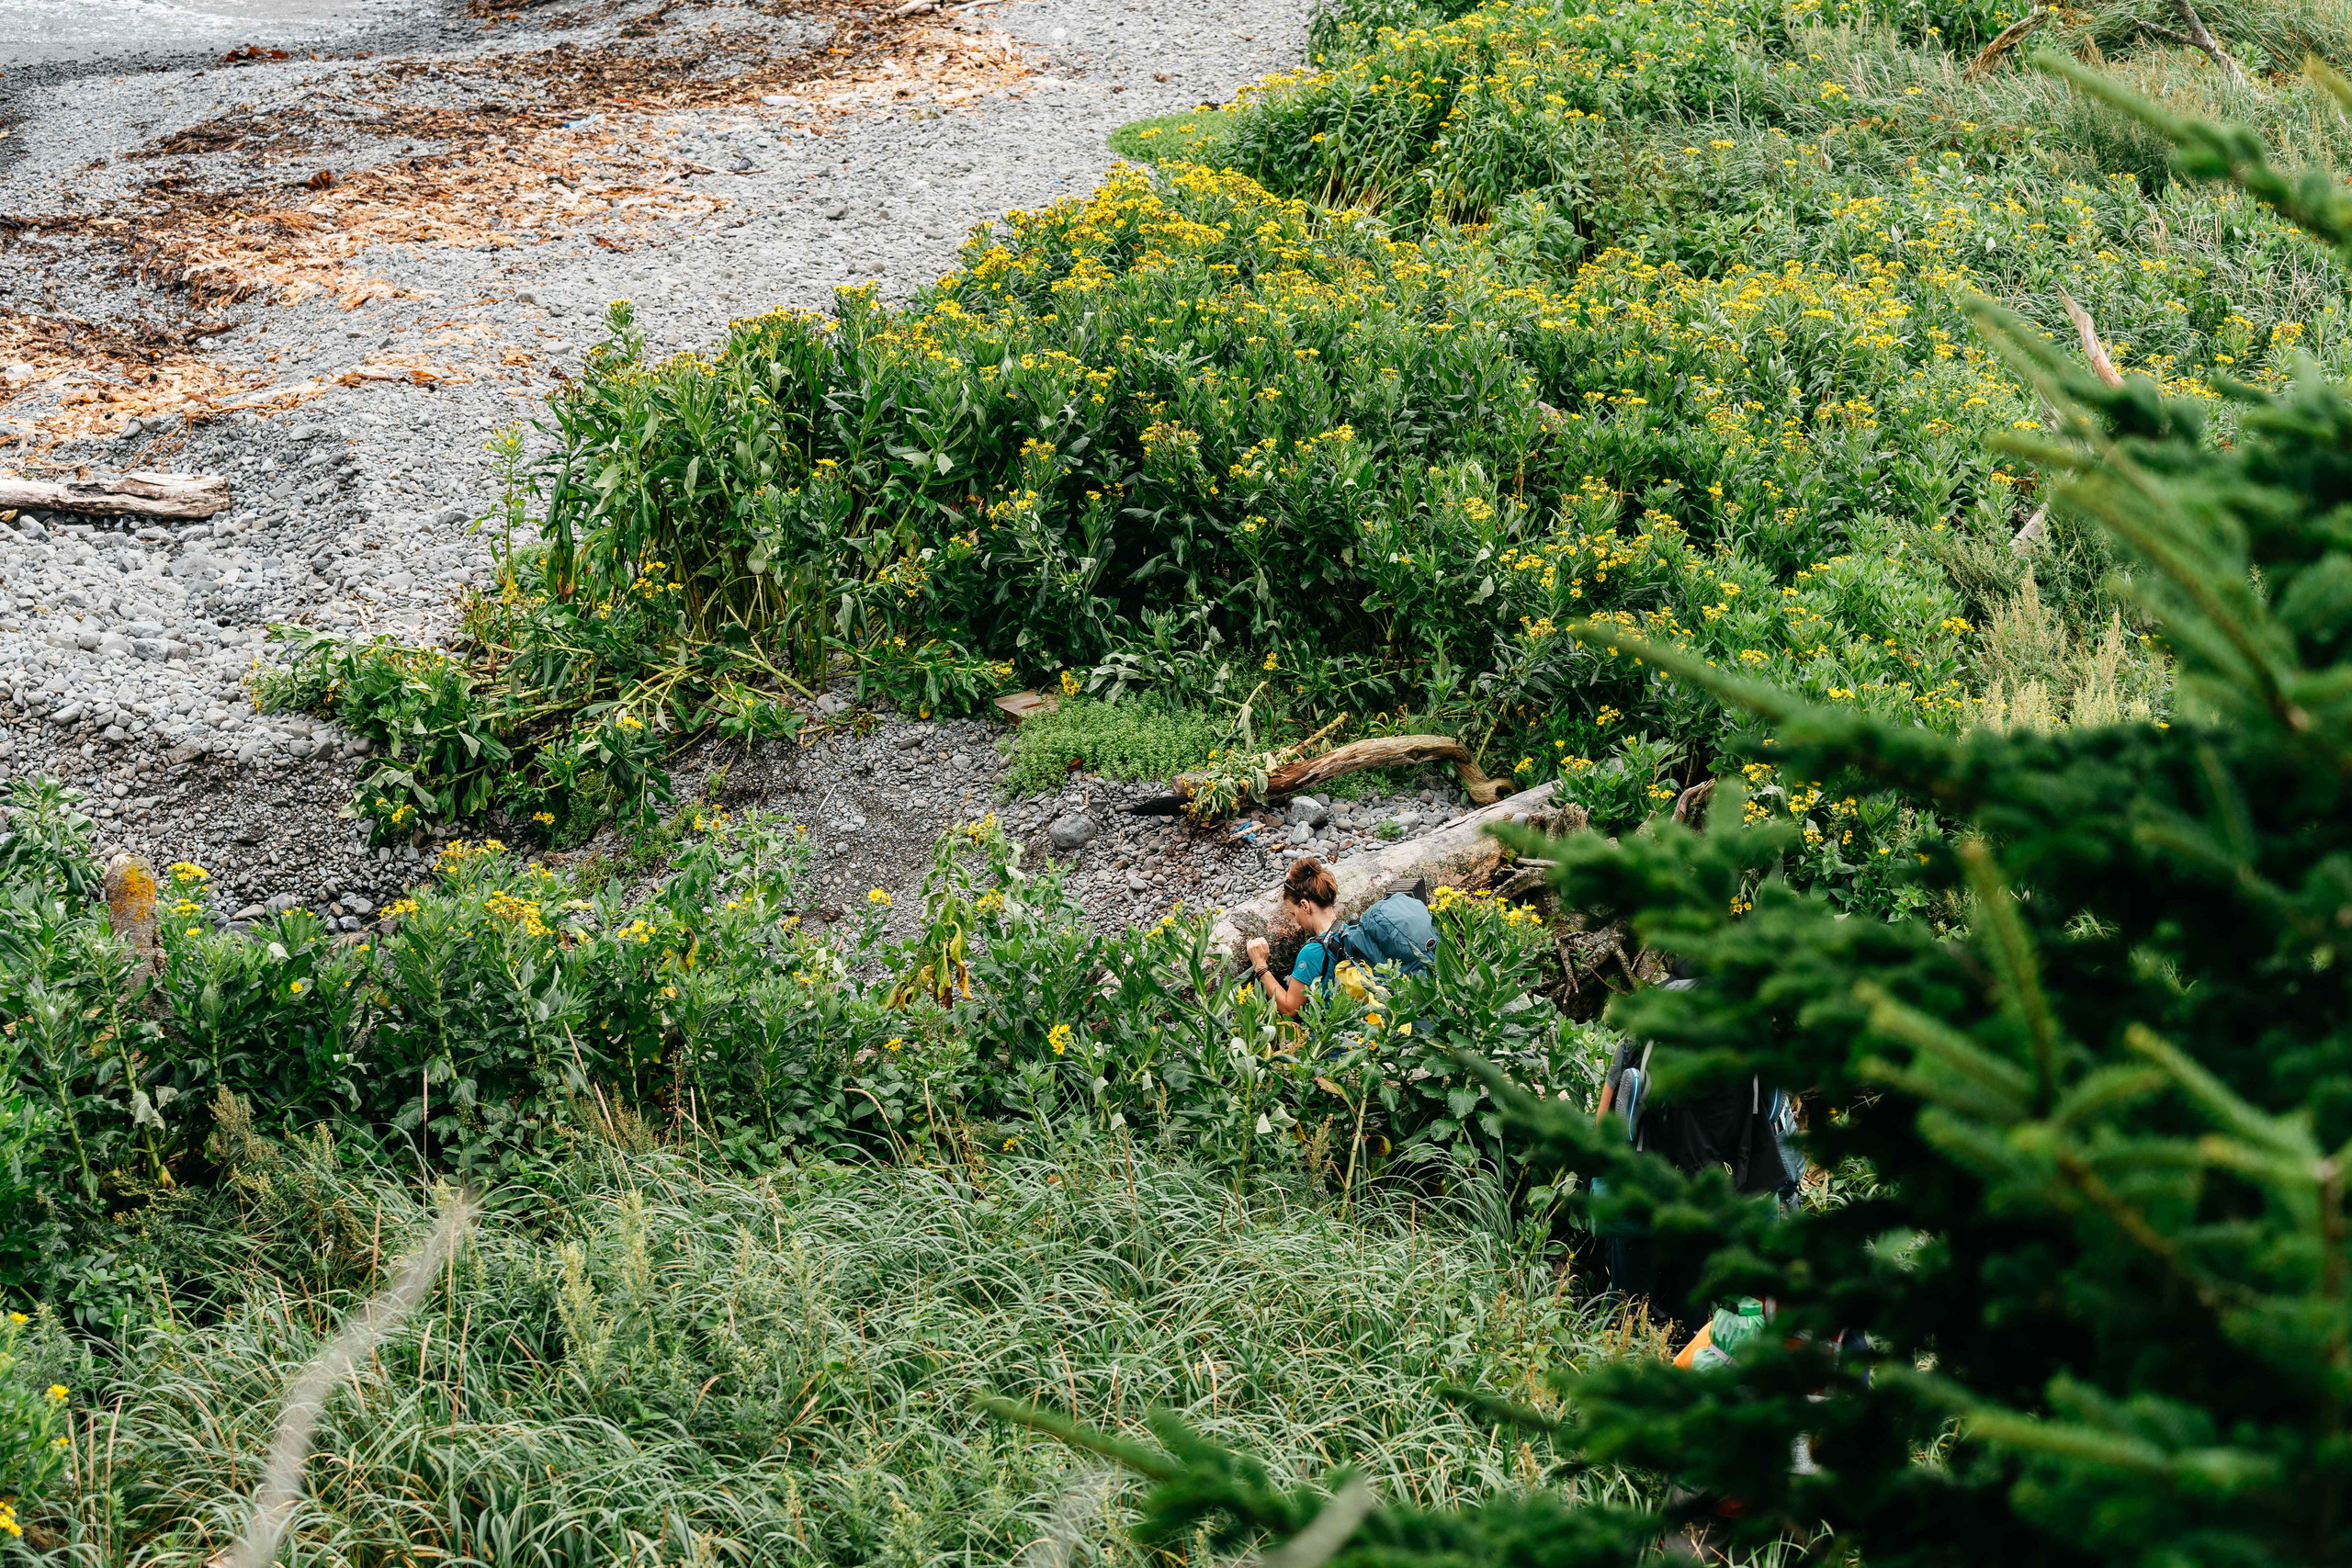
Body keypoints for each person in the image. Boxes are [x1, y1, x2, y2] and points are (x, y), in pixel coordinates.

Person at [1243, 856, 1341, 1017]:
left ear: (1305, 906)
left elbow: (1290, 1009)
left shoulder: (1313, 951)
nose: (1296, 919)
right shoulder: (1348, 930)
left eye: (1293, 913)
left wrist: (1260, 966)